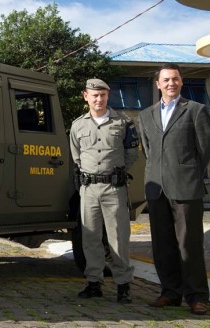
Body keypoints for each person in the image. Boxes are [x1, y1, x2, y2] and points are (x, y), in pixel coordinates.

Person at [138, 63, 210, 315]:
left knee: (188, 245)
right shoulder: (145, 115)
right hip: (156, 189)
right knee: (162, 245)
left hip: (186, 188)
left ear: (181, 82)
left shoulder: (196, 110)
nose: (171, 83)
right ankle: (170, 292)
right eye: (166, 80)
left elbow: (205, 150)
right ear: (157, 84)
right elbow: (149, 150)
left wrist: (187, 172)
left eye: (175, 79)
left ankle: (196, 296)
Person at [69, 78, 139, 303]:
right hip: (88, 188)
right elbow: (76, 155)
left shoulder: (123, 123)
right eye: (95, 95)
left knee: (118, 237)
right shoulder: (78, 125)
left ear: (108, 97)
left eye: (103, 95)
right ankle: (93, 283)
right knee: (90, 237)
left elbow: (132, 153)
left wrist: (115, 173)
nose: (99, 99)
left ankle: (123, 286)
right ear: (86, 96)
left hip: (114, 187)